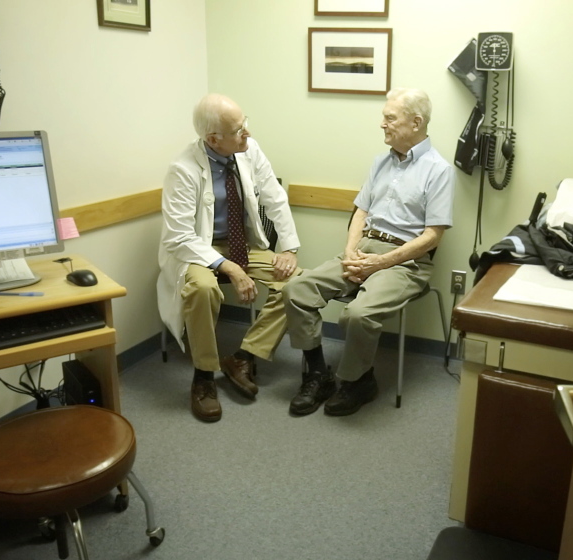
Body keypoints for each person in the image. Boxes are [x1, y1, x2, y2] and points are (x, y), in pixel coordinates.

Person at [283, 88, 455, 417]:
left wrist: (381, 262)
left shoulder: (438, 170)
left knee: (358, 315)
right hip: (363, 252)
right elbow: (360, 212)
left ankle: (357, 381)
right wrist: (350, 252)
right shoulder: (381, 162)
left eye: (390, 118)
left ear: (416, 122)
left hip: (403, 263)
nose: (382, 124)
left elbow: (433, 235)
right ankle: (319, 374)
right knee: (297, 289)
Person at [157, 94, 301, 423]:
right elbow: (179, 236)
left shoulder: (249, 149)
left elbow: (274, 198)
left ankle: (244, 356)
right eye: (238, 129)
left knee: (299, 283)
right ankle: (204, 377)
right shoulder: (182, 169)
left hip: (242, 244)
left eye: (244, 123)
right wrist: (229, 267)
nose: (246, 133)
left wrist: (289, 249)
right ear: (213, 139)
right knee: (203, 290)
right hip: (197, 248)